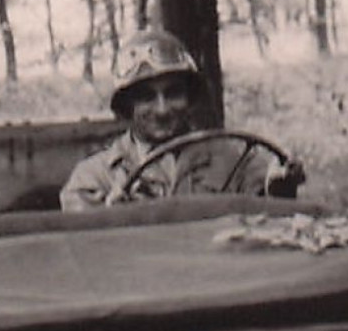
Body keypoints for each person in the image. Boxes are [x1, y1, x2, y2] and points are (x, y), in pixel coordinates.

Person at [61, 30, 296, 210]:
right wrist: (112, 220)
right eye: (146, 97)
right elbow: (85, 257)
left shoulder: (235, 162)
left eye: (173, 93)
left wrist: (279, 192)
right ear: (127, 105)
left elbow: (270, 226)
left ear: (190, 98)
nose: (162, 110)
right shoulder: (93, 179)